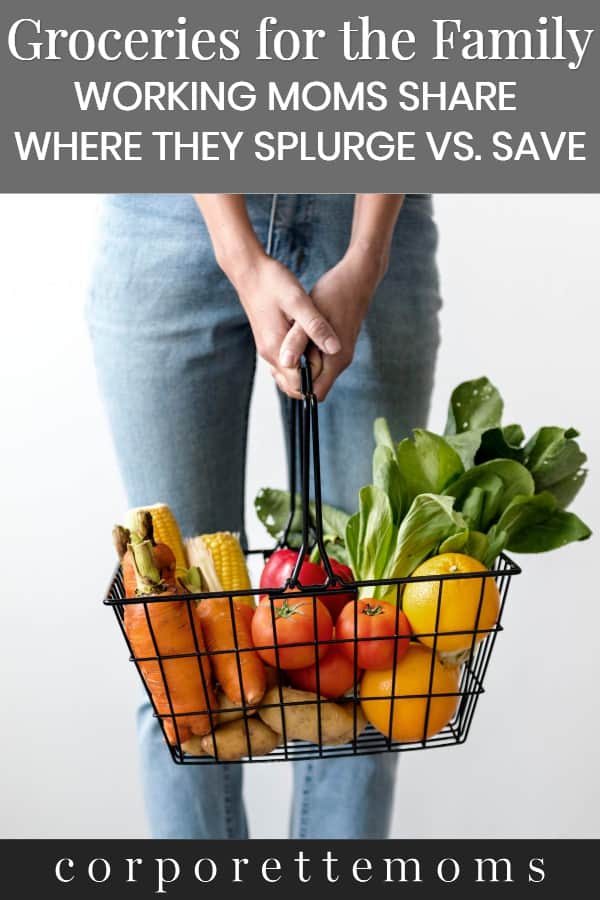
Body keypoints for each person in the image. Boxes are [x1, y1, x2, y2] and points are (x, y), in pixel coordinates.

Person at [86, 193, 441, 839]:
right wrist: (238, 253)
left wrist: (367, 255)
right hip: (170, 214)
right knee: (177, 650)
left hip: (366, 211)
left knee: (370, 648)